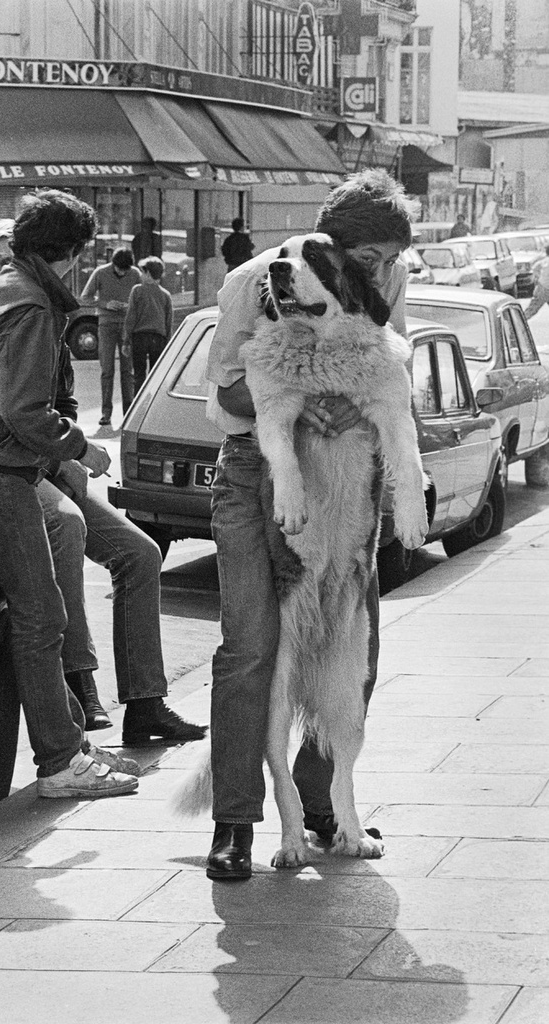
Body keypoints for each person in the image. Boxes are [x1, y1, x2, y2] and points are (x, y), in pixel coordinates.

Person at [204, 169, 418, 879]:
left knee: (355, 650)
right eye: (372, 261)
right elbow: (227, 387)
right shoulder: (255, 281)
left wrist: (354, 402)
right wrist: (308, 393)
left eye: (393, 261)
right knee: (251, 650)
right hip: (256, 473)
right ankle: (234, 822)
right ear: (332, 246)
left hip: (348, 477)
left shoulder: (387, 278)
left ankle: (321, 803)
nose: (386, 274)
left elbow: (388, 360)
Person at [0, 220, 207, 749]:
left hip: (34, 462)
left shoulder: (34, 301)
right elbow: (6, 413)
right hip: (9, 469)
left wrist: (67, 452)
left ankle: (142, 705)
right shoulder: (15, 306)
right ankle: (72, 713)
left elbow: (56, 398)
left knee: (139, 555)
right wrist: (76, 448)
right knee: (54, 571)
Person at [0, 189, 139, 800]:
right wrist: (81, 446)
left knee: (36, 613)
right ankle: (59, 762)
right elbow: (25, 412)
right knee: (40, 615)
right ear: (73, 253)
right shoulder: (28, 304)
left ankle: (67, 746)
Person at [80, 247, 140, 429]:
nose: (123, 272)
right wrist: (106, 304)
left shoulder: (135, 273)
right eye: (120, 269)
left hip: (127, 325)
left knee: (127, 371)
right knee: (107, 369)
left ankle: (128, 413)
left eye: (126, 270)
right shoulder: (101, 273)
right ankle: (106, 413)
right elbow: (85, 297)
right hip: (106, 324)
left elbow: (140, 296)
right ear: (113, 264)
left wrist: (130, 305)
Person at [122, 256, 173, 394]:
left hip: (140, 336)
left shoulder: (137, 290)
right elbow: (168, 321)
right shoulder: (166, 295)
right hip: (159, 337)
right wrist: (168, 342)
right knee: (155, 374)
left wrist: (126, 341)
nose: (141, 276)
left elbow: (131, 316)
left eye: (143, 272)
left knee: (139, 374)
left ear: (148, 273)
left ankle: (139, 402)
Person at [525, 243, 549, 319]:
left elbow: (534, 269)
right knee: (532, 309)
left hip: (542, 287)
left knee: (532, 309)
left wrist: (538, 278)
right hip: (544, 288)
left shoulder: (543, 262)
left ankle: (519, 323)